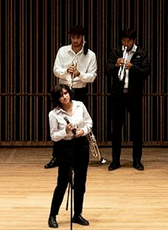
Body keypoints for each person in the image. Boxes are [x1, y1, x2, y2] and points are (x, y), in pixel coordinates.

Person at [46, 25, 98, 169]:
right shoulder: (63, 51)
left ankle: (79, 156)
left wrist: (79, 74)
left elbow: (92, 76)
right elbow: (56, 70)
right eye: (73, 37)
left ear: (83, 38)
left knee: (79, 124)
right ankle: (56, 157)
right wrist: (66, 71)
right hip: (63, 90)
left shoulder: (90, 55)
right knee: (60, 125)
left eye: (78, 37)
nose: (75, 40)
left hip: (80, 91)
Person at [47, 84, 93, 228]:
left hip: (81, 145)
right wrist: (65, 132)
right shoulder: (54, 114)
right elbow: (54, 136)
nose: (65, 97)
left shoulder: (80, 105)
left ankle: (77, 214)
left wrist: (83, 131)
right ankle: (52, 215)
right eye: (61, 95)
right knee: (62, 183)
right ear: (57, 98)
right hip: (65, 147)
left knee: (80, 183)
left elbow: (89, 122)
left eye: (66, 93)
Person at [107, 27, 151, 171]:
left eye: (129, 40)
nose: (126, 43)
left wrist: (132, 67)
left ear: (134, 40)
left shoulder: (140, 53)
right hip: (118, 96)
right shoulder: (116, 52)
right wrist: (115, 65)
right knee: (116, 130)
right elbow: (107, 70)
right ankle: (115, 160)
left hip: (134, 96)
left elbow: (146, 72)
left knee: (136, 129)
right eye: (124, 40)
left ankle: (137, 160)